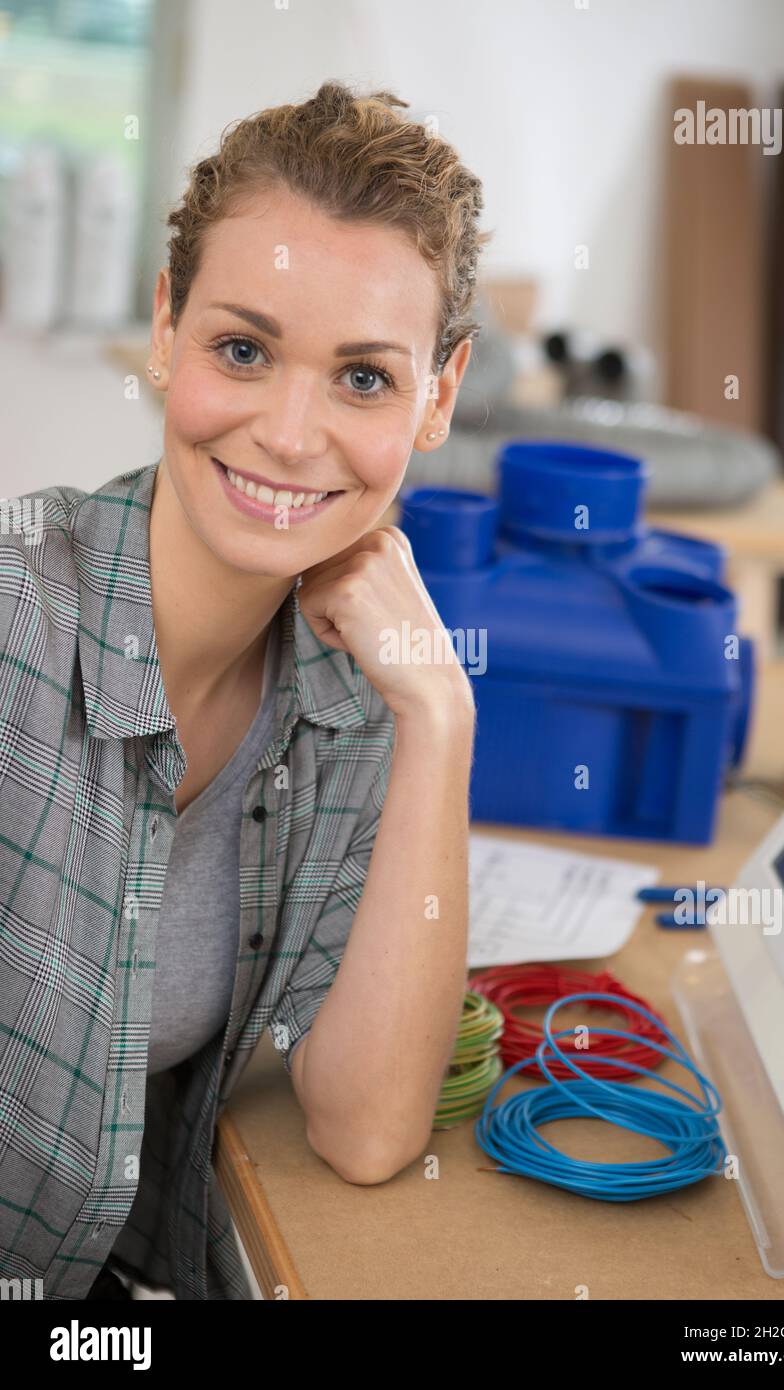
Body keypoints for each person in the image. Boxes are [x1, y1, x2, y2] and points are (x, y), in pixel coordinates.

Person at [0, 79, 489, 1300]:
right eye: (243, 348)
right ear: (166, 329)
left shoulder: (353, 690)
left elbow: (365, 1129)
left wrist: (437, 714)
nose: (287, 431)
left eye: (364, 378)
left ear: (438, 396)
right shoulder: (18, 617)